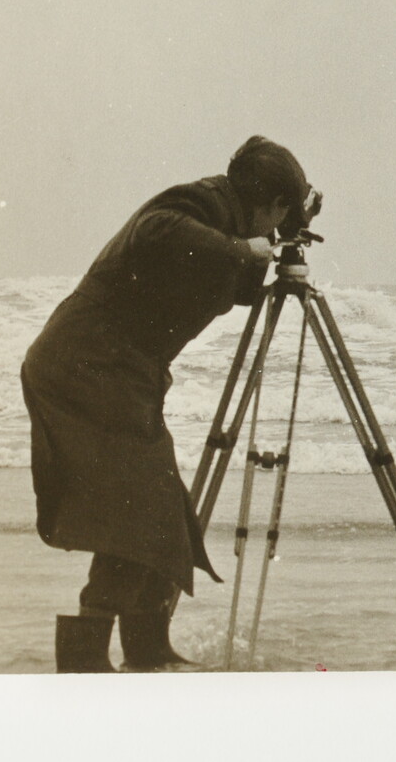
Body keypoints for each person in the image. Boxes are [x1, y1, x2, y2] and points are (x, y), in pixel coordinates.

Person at [20, 135, 310, 672]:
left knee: (165, 513)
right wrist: (246, 248)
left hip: (117, 373)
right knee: (137, 514)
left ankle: (148, 651)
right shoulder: (198, 204)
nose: (273, 231)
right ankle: (83, 665)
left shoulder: (226, 222)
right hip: (84, 368)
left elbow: (241, 288)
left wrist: (269, 241)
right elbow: (157, 230)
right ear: (265, 201)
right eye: (278, 216)